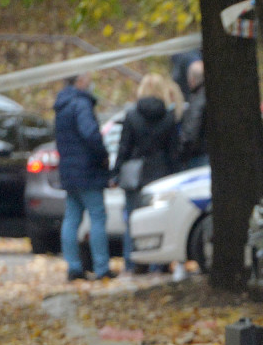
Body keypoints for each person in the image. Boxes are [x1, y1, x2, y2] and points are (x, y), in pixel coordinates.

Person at [113, 73, 181, 275]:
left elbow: (123, 148)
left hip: (136, 176)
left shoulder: (132, 115)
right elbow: (173, 151)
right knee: (160, 219)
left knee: (132, 220)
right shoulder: (169, 118)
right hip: (162, 175)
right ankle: (159, 263)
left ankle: (132, 262)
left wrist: (116, 173)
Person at [54, 72, 115, 281]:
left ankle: (73, 266)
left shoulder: (61, 106)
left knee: (72, 217)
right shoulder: (81, 104)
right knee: (97, 216)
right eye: (87, 77)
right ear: (79, 81)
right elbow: (90, 134)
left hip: (70, 172)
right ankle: (101, 268)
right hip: (88, 171)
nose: (90, 81)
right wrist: (103, 156)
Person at [179, 60, 208, 169]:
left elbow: (191, 132)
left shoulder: (197, 101)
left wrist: (182, 153)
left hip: (200, 156)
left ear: (192, 80)